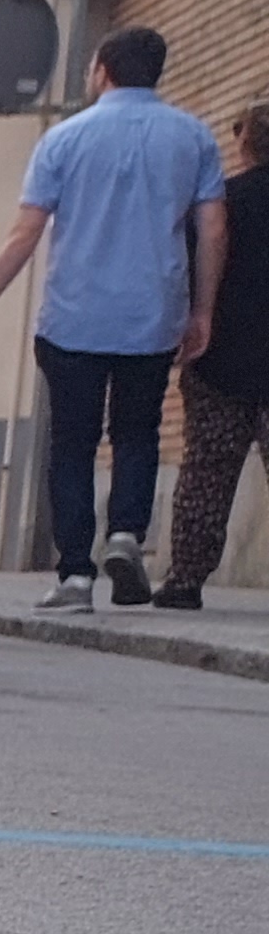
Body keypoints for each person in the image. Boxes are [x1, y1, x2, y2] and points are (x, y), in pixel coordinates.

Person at [0, 24, 230, 611]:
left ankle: (74, 576)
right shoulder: (193, 138)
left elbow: (25, 232)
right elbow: (212, 227)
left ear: (101, 70)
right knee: (137, 432)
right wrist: (203, 309)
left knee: (72, 443)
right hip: (152, 315)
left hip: (74, 316)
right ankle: (125, 534)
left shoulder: (64, 139)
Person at [155, 99, 269, 607]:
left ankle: (185, 580)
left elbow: (189, 267)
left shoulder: (221, 202)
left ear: (245, 143)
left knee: (207, 472)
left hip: (223, 358)